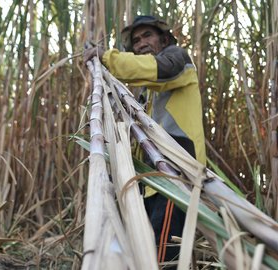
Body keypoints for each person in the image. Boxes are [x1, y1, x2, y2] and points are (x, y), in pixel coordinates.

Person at [84, 15, 206, 267]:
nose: (141, 43)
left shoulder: (177, 61)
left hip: (175, 166)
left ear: (163, 39)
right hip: (150, 175)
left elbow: (155, 69)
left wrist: (107, 57)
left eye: (147, 36)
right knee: (146, 245)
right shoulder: (146, 89)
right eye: (136, 40)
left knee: (165, 251)